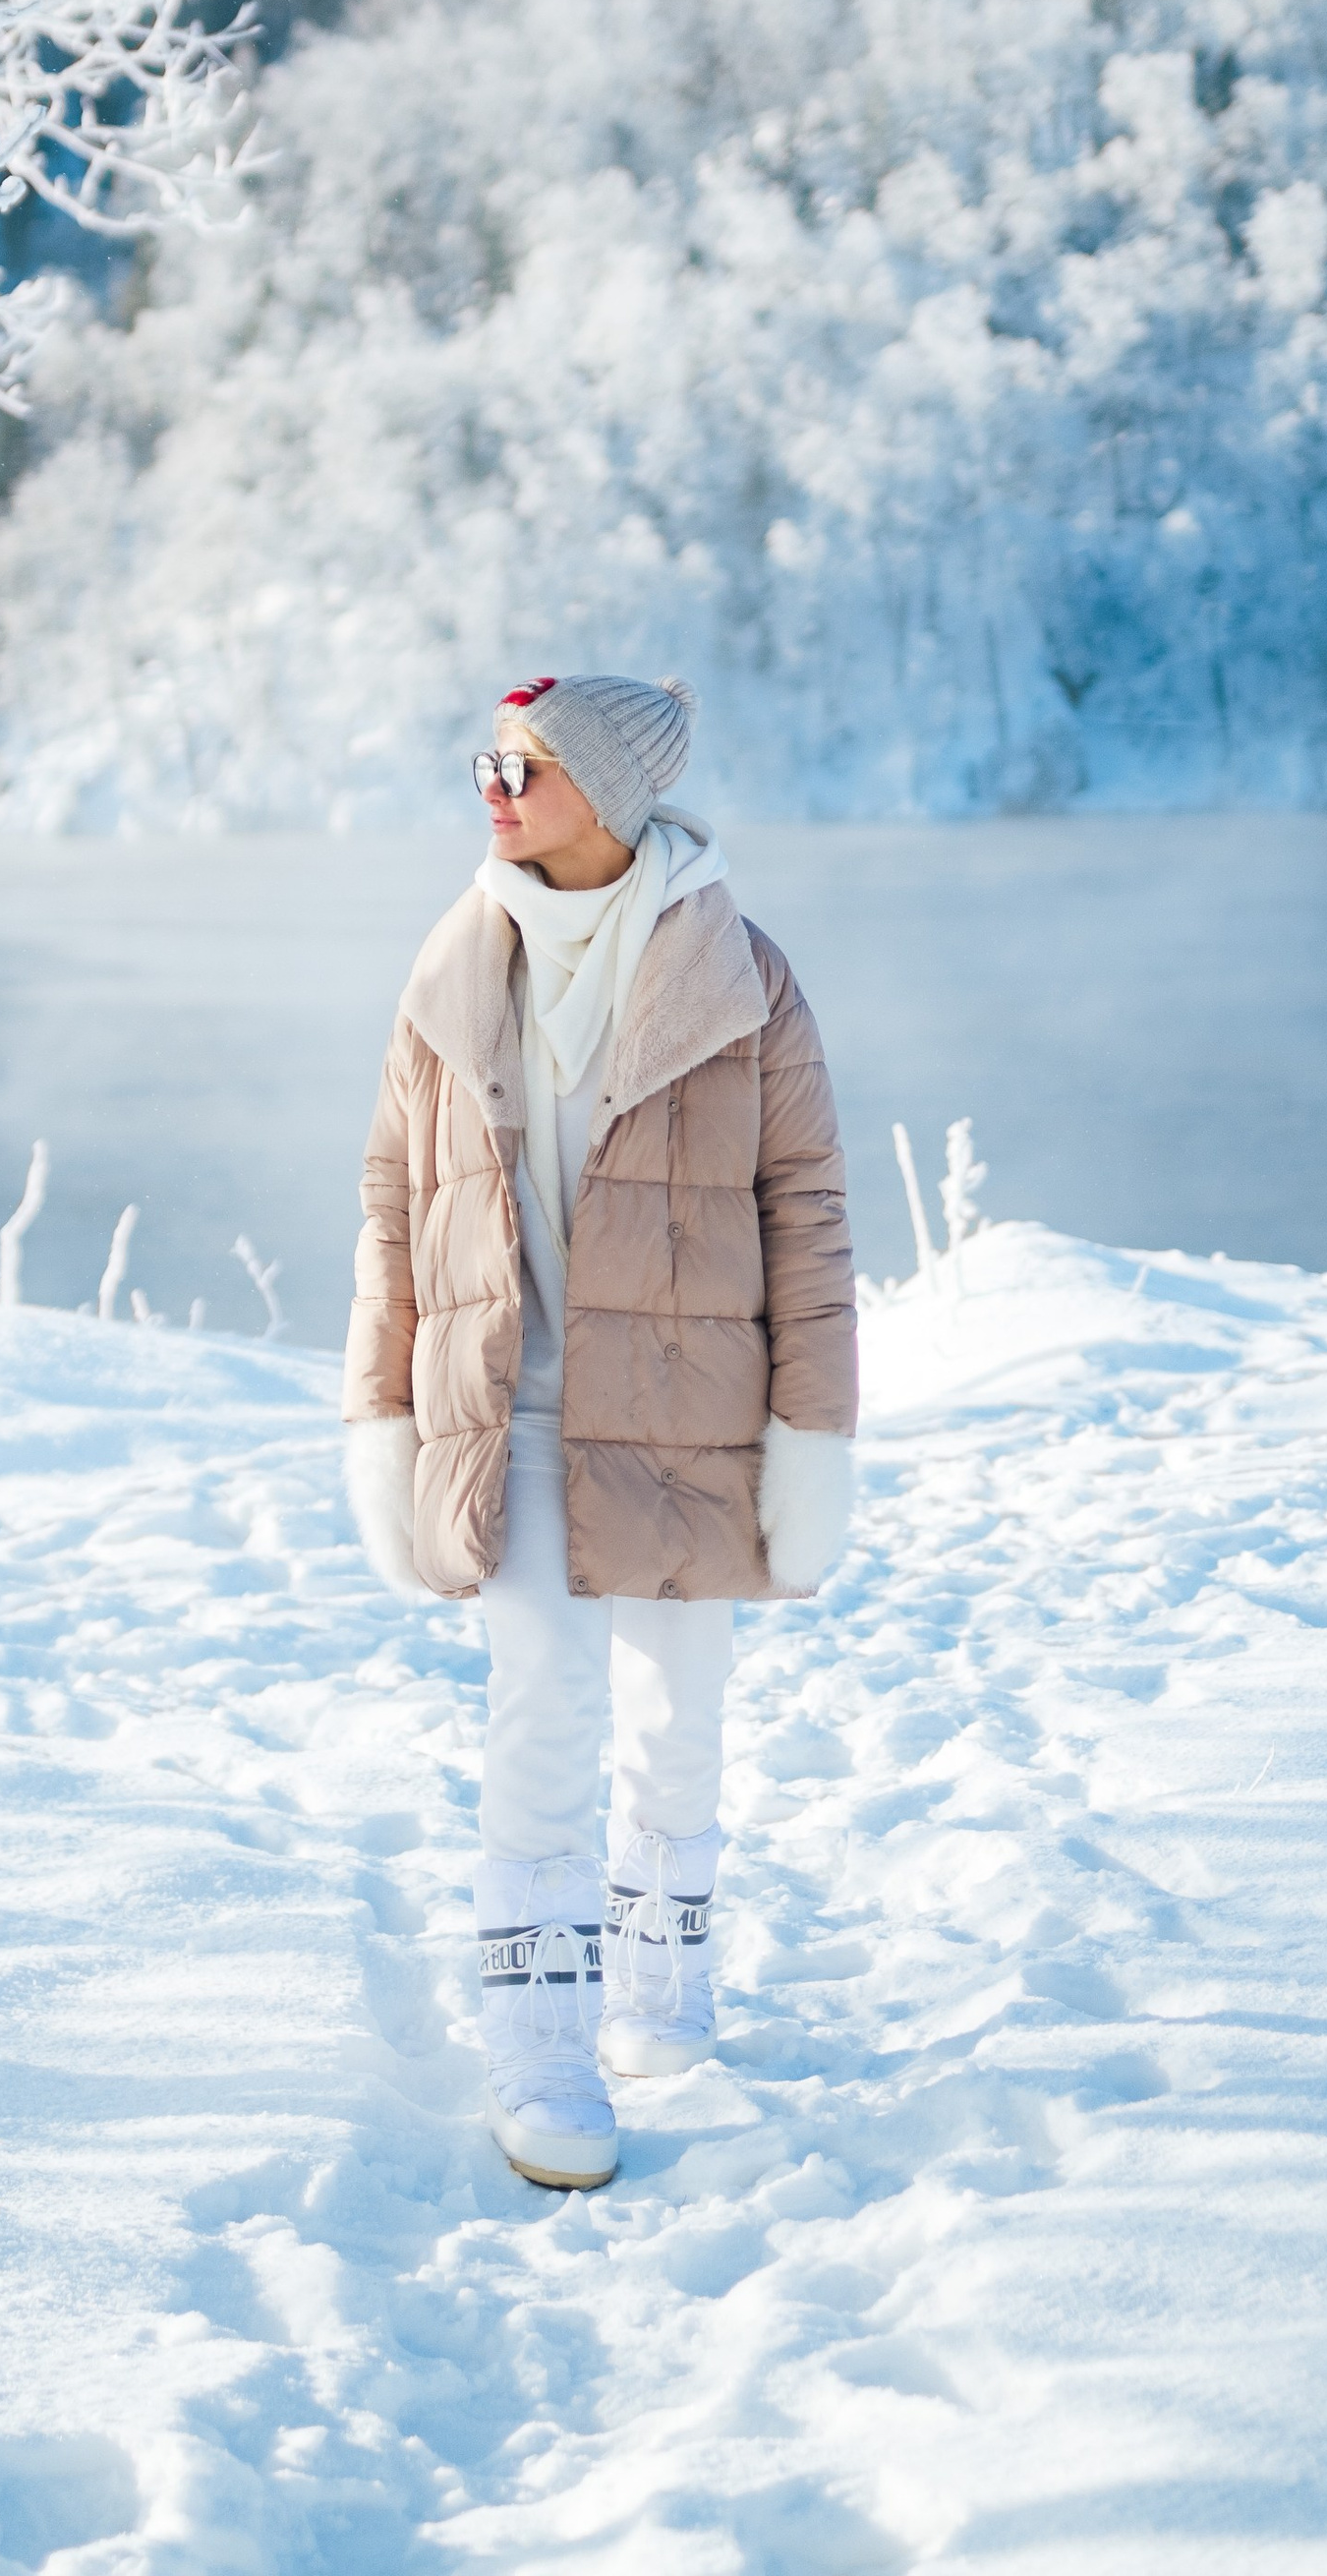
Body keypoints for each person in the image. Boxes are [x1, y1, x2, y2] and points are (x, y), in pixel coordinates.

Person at [343, 672, 858, 2192]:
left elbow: (807, 1213)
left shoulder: (740, 976)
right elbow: (391, 1206)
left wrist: (812, 1432)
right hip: (511, 1406)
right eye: (489, 763)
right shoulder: (455, 964)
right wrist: (382, 1411)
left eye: (529, 766)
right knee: (543, 1704)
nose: (495, 790)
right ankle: (540, 2042)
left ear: (614, 793)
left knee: (675, 1715)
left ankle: (657, 1974)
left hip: (692, 1410)